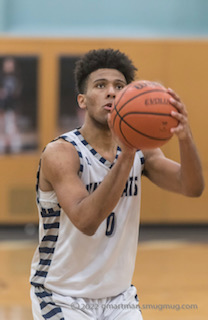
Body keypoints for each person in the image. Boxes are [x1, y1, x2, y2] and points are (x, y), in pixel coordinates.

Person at [30, 48, 204, 320]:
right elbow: (87, 221)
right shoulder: (62, 153)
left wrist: (185, 137)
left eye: (119, 86)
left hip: (118, 297)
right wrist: (128, 153)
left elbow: (191, 187)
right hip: (62, 295)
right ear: (82, 100)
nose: (111, 92)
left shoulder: (142, 152)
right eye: (101, 86)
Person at [0, 57, 22, 153]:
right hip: (2, 107)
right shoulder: (1, 77)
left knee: (11, 128)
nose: (9, 66)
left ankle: (13, 150)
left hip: (11, 108)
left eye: (10, 64)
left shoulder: (16, 78)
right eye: (7, 64)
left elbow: (17, 93)